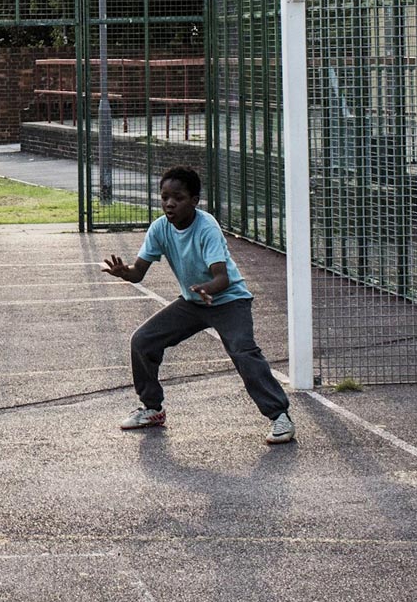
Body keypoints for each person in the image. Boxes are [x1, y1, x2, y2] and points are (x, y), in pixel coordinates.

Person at [101, 165, 295, 444]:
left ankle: (280, 416)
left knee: (243, 351)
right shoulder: (159, 228)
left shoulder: (207, 227)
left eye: (177, 198)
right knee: (143, 341)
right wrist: (124, 272)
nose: (169, 203)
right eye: (165, 196)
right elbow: (139, 273)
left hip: (229, 301)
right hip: (194, 302)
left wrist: (206, 288)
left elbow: (222, 277)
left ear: (194, 201)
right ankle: (152, 409)